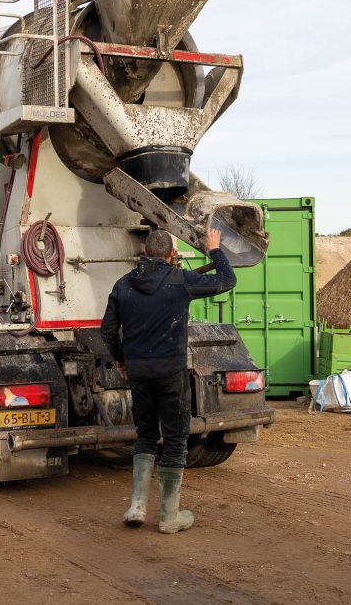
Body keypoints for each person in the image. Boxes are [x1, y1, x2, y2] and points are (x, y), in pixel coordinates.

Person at [100, 228, 237, 534]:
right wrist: (214, 249)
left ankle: (137, 507)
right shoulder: (181, 281)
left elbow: (107, 331)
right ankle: (168, 517)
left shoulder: (122, 285)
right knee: (175, 439)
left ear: (144, 253)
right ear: (173, 255)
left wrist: (122, 360)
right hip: (171, 373)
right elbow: (227, 280)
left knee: (145, 435)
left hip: (138, 372)